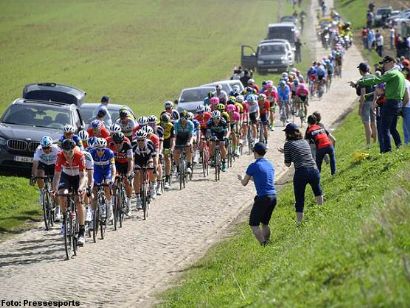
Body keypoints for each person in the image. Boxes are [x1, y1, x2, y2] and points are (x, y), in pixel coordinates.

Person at [351, 56, 405, 153]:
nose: (383, 66)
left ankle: (387, 151)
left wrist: (360, 82)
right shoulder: (400, 74)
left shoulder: (391, 73)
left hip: (390, 103)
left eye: (385, 63)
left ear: (392, 62)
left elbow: (377, 80)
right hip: (398, 103)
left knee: (384, 128)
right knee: (392, 128)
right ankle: (399, 145)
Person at [279, 123, 323, 224]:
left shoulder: (288, 144)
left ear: (288, 134)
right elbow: (300, 152)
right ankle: (322, 210)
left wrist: (286, 154)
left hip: (301, 171)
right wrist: (287, 152)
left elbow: (287, 164)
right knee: (317, 191)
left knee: (299, 198)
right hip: (313, 169)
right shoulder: (304, 141)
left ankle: (299, 223)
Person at [238, 142, 276, 246]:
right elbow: (261, 179)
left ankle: (263, 244)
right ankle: (267, 242)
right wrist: (251, 178)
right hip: (273, 196)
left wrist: (242, 179)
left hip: (263, 197)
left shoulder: (253, 166)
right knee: (265, 223)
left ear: (255, 152)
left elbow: (244, 183)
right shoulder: (269, 164)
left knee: (254, 224)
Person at [52, 139, 87, 246]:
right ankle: (64, 219)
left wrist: (81, 188)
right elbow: (57, 175)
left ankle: (81, 231)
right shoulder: (59, 156)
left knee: (79, 201)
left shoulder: (79, 155)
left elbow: (82, 176)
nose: (67, 155)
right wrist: (54, 189)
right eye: (65, 152)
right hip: (66, 176)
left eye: (69, 152)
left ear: (73, 150)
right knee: (62, 194)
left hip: (78, 177)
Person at [31, 136, 61, 219]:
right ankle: (41, 192)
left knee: (55, 189)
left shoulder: (57, 149)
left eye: (48, 148)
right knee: (39, 174)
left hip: (54, 166)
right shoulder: (38, 150)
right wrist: (33, 176)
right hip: (43, 164)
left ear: (51, 146)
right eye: (44, 148)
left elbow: (61, 161)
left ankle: (58, 210)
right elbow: (35, 164)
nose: (46, 150)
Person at [355, 62, 377, 147]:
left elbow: (363, 95)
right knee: (373, 122)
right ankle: (375, 141)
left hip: (366, 103)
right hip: (374, 102)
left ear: (361, 70)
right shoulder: (373, 77)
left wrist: (360, 108)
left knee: (366, 124)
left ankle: (368, 144)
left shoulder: (363, 80)